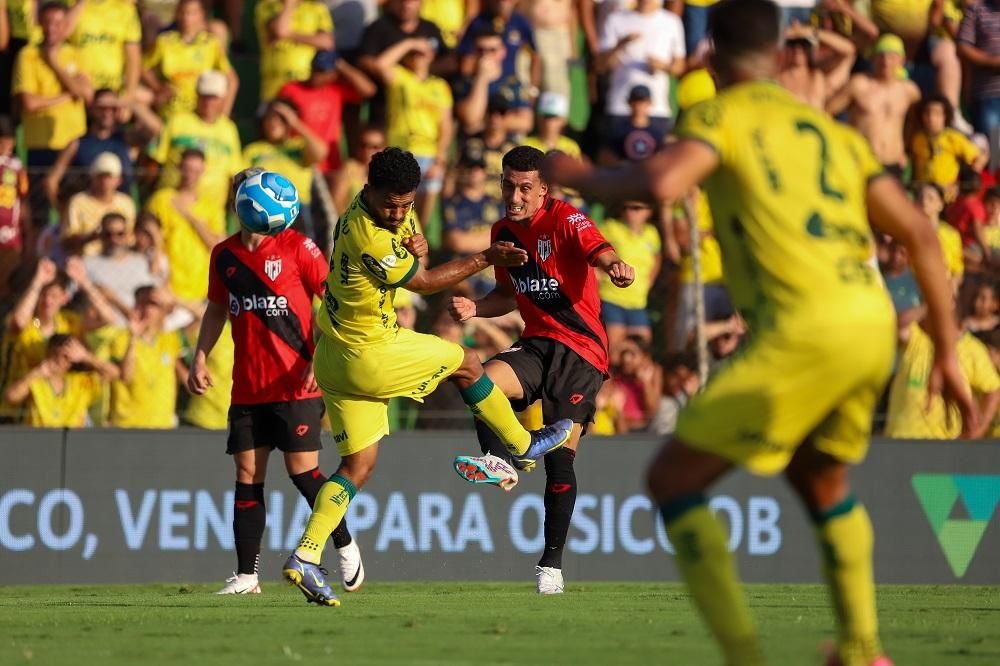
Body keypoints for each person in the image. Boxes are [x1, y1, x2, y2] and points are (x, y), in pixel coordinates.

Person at [542, 1, 977, 664]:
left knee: (671, 480)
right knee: (820, 478)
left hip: (805, 327)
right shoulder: (831, 129)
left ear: (710, 57)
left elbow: (661, 179)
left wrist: (576, 176)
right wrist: (948, 351)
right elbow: (920, 233)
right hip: (870, 323)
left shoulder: (719, 114)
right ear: (781, 58)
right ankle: (863, 652)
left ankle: (746, 657)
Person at [280, 147, 573, 606]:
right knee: (468, 362)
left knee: (357, 468)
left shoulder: (380, 212)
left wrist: (417, 249)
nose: (398, 213)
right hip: (369, 353)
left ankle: (306, 555)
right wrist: (485, 258)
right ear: (367, 192)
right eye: (389, 204)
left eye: (405, 203)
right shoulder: (368, 235)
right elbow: (422, 282)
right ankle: (521, 443)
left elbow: (416, 255)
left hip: (334, 358)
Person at [449, 145, 636, 595]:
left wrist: (616, 267)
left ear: (542, 190)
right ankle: (500, 458)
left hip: (581, 352)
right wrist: (476, 307)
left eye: (524, 188)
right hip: (535, 345)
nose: (514, 196)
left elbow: (600, 250)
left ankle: (550, 567)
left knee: (560, 461)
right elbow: (510, 296)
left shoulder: (566, 218)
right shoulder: (503, 231)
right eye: (508, 185)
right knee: (477, 376)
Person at [187, 167, 362, 596]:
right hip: (248, 385)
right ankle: (247, 576)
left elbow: (333, 304)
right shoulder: (224, 255)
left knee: (302, 472)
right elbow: (214, 309)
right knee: (247, 474)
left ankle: (342, 540)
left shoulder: (298, 248)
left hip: (296, 383)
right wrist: (199, 356)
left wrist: (318, 358)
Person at [828, 34, 921, 179]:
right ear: (873, 58)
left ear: (901, 60)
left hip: (894, 163)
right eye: (881, 56)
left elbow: (915, 122)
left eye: (891, 57)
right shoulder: (858, 85)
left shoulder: (909, 91)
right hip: (862, 161)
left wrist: (906, 150)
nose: (886, 61)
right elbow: (826, 112)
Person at [3, 333, 118, 427]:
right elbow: (11, 397)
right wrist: (37, 373)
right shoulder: (36, 380)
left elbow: (114, 374)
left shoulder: (79, 382)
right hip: (39, 443)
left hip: (70, 444)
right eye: (57, 354)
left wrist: (86, 357)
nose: (61, 360)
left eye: (67, 357)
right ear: (48, 353)